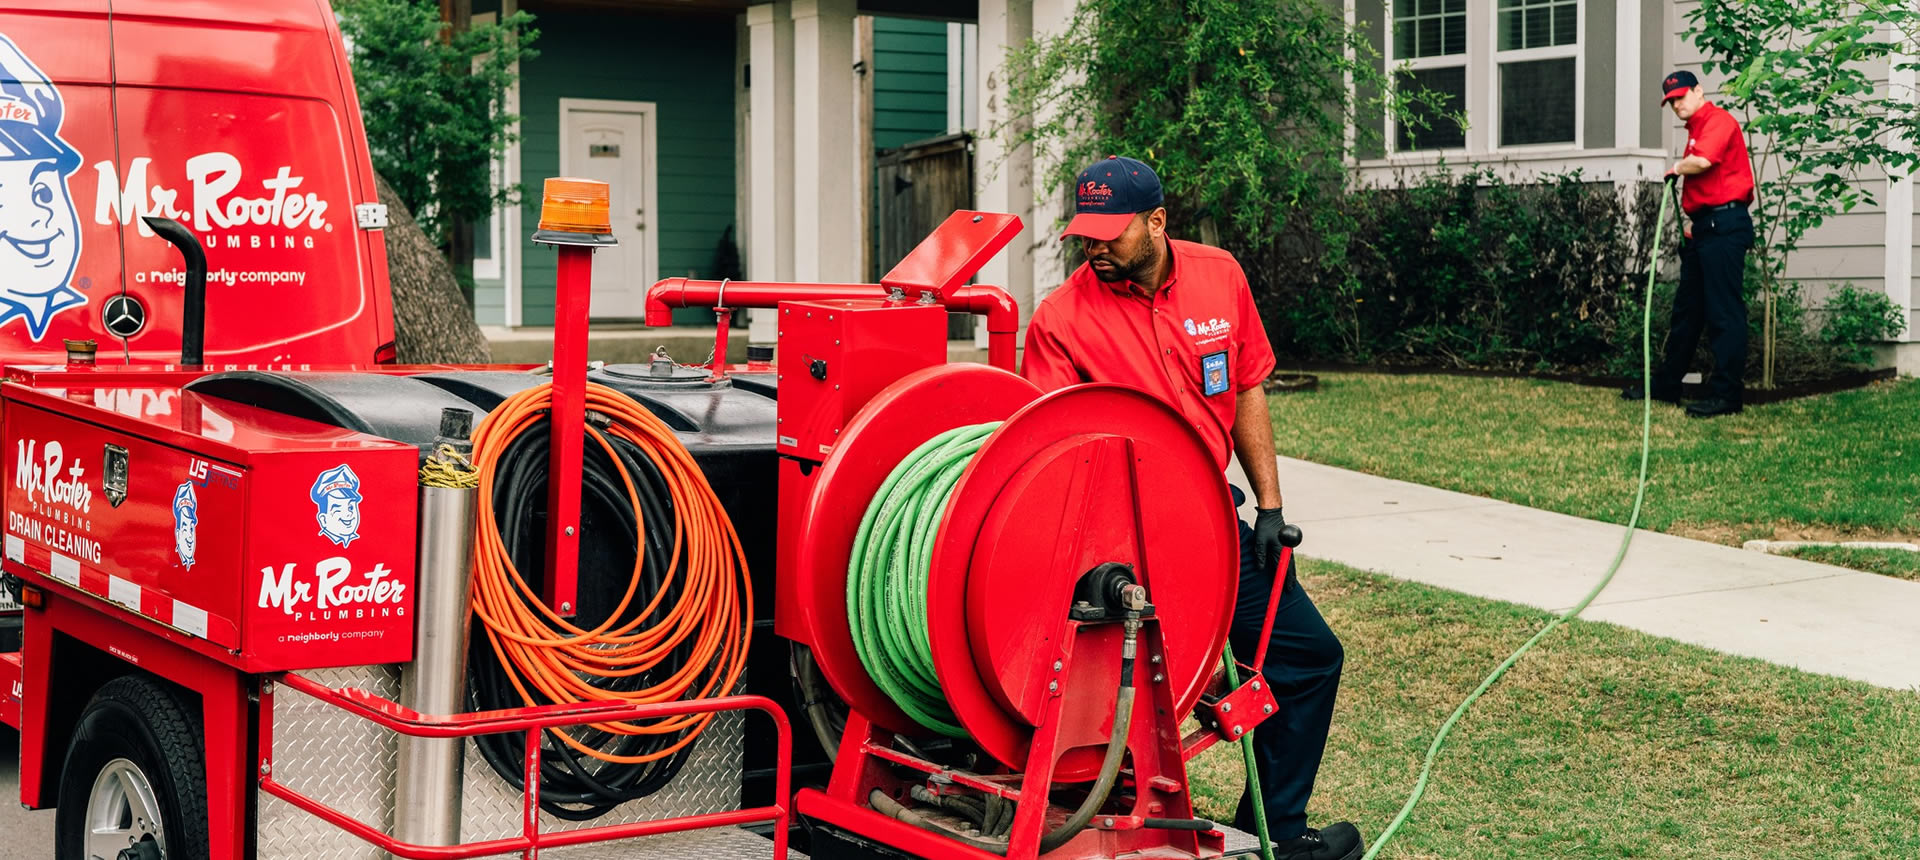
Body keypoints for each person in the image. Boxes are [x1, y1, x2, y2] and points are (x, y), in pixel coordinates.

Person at [1022, 156, 1362, 860]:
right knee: (1132, 703)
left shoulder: (1220, 275)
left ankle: (1270, 829)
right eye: (1086, 233)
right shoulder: (1060, 321)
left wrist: (1268, 506)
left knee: (1306, 658)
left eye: (1112, 233)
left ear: (1157, 222)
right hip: (1117, 551)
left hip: (1213, 525)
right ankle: (1109, 822)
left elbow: (1245, 387)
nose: (1095, 247)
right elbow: (1047, 456)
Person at [1622, 70, 1756, 418]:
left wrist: (1677, 168)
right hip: (1706, 229)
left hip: (1725, 227)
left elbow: (1703, 162)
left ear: (1699, 91)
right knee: (1686, 314)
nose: (1677, 104)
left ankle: (1727, 397)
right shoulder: (1696, 128)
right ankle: (1667, 388)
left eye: (1682, 96)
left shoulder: (1717, 120)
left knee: (1724, 314)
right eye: (1672, 101)